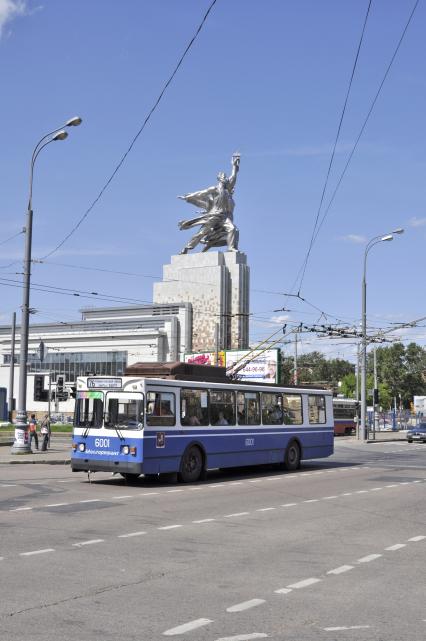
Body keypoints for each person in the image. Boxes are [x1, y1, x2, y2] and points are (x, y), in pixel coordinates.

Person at [178, 153, 240, 254]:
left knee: (233, 229)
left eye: (225, 176)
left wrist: (234, 166)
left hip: (224, 217)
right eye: (223, 176)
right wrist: (188, 197)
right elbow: (201, 193)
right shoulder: (214, 189)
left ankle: (231, 248)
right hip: (213, 216)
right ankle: (186, 248)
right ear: (219, 178)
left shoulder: (227, 190)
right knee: (202, 233)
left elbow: (233, 178)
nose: (225, 177)